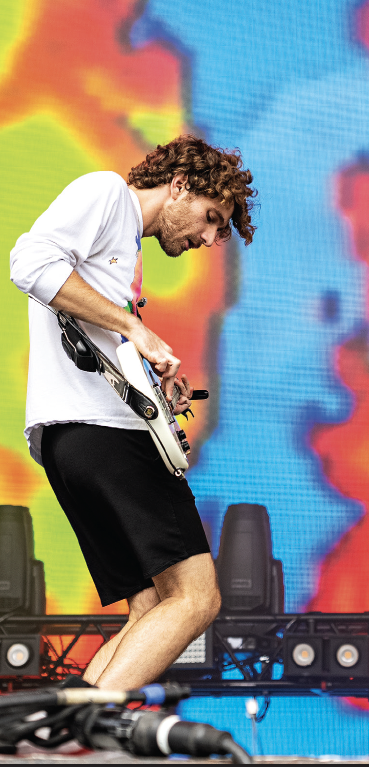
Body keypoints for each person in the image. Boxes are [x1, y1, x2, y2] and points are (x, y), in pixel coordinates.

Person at [10, 134, 256, 689]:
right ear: (180, 185)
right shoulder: (106, 194)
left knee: (151, 607)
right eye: (212, 217)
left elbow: (91, 336)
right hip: (101, 438)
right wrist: (133, 327)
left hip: (73, 439)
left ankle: (68, 738)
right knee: (196, 598)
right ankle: (89, 736)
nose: (211, 237)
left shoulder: (124, 246)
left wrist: (149, 377)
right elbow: (29, 262)